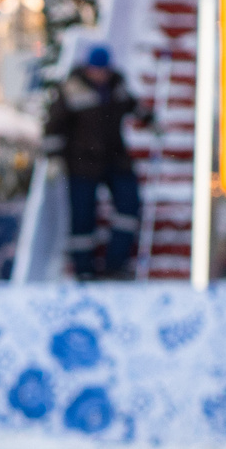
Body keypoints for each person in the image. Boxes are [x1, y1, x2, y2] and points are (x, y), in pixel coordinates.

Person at [43, 44, 143, 280]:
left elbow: (131, 106)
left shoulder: (117, 86)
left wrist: (148, 117)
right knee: (82, 217)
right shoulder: (71, 89)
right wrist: (54, 158)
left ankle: (116, 264)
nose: (100, 74)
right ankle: (84, 269)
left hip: (115, 159)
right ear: (88, 68)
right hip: (81, 162)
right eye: (96, 69)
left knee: (129, 205)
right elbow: (54, 126)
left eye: (103, 70)